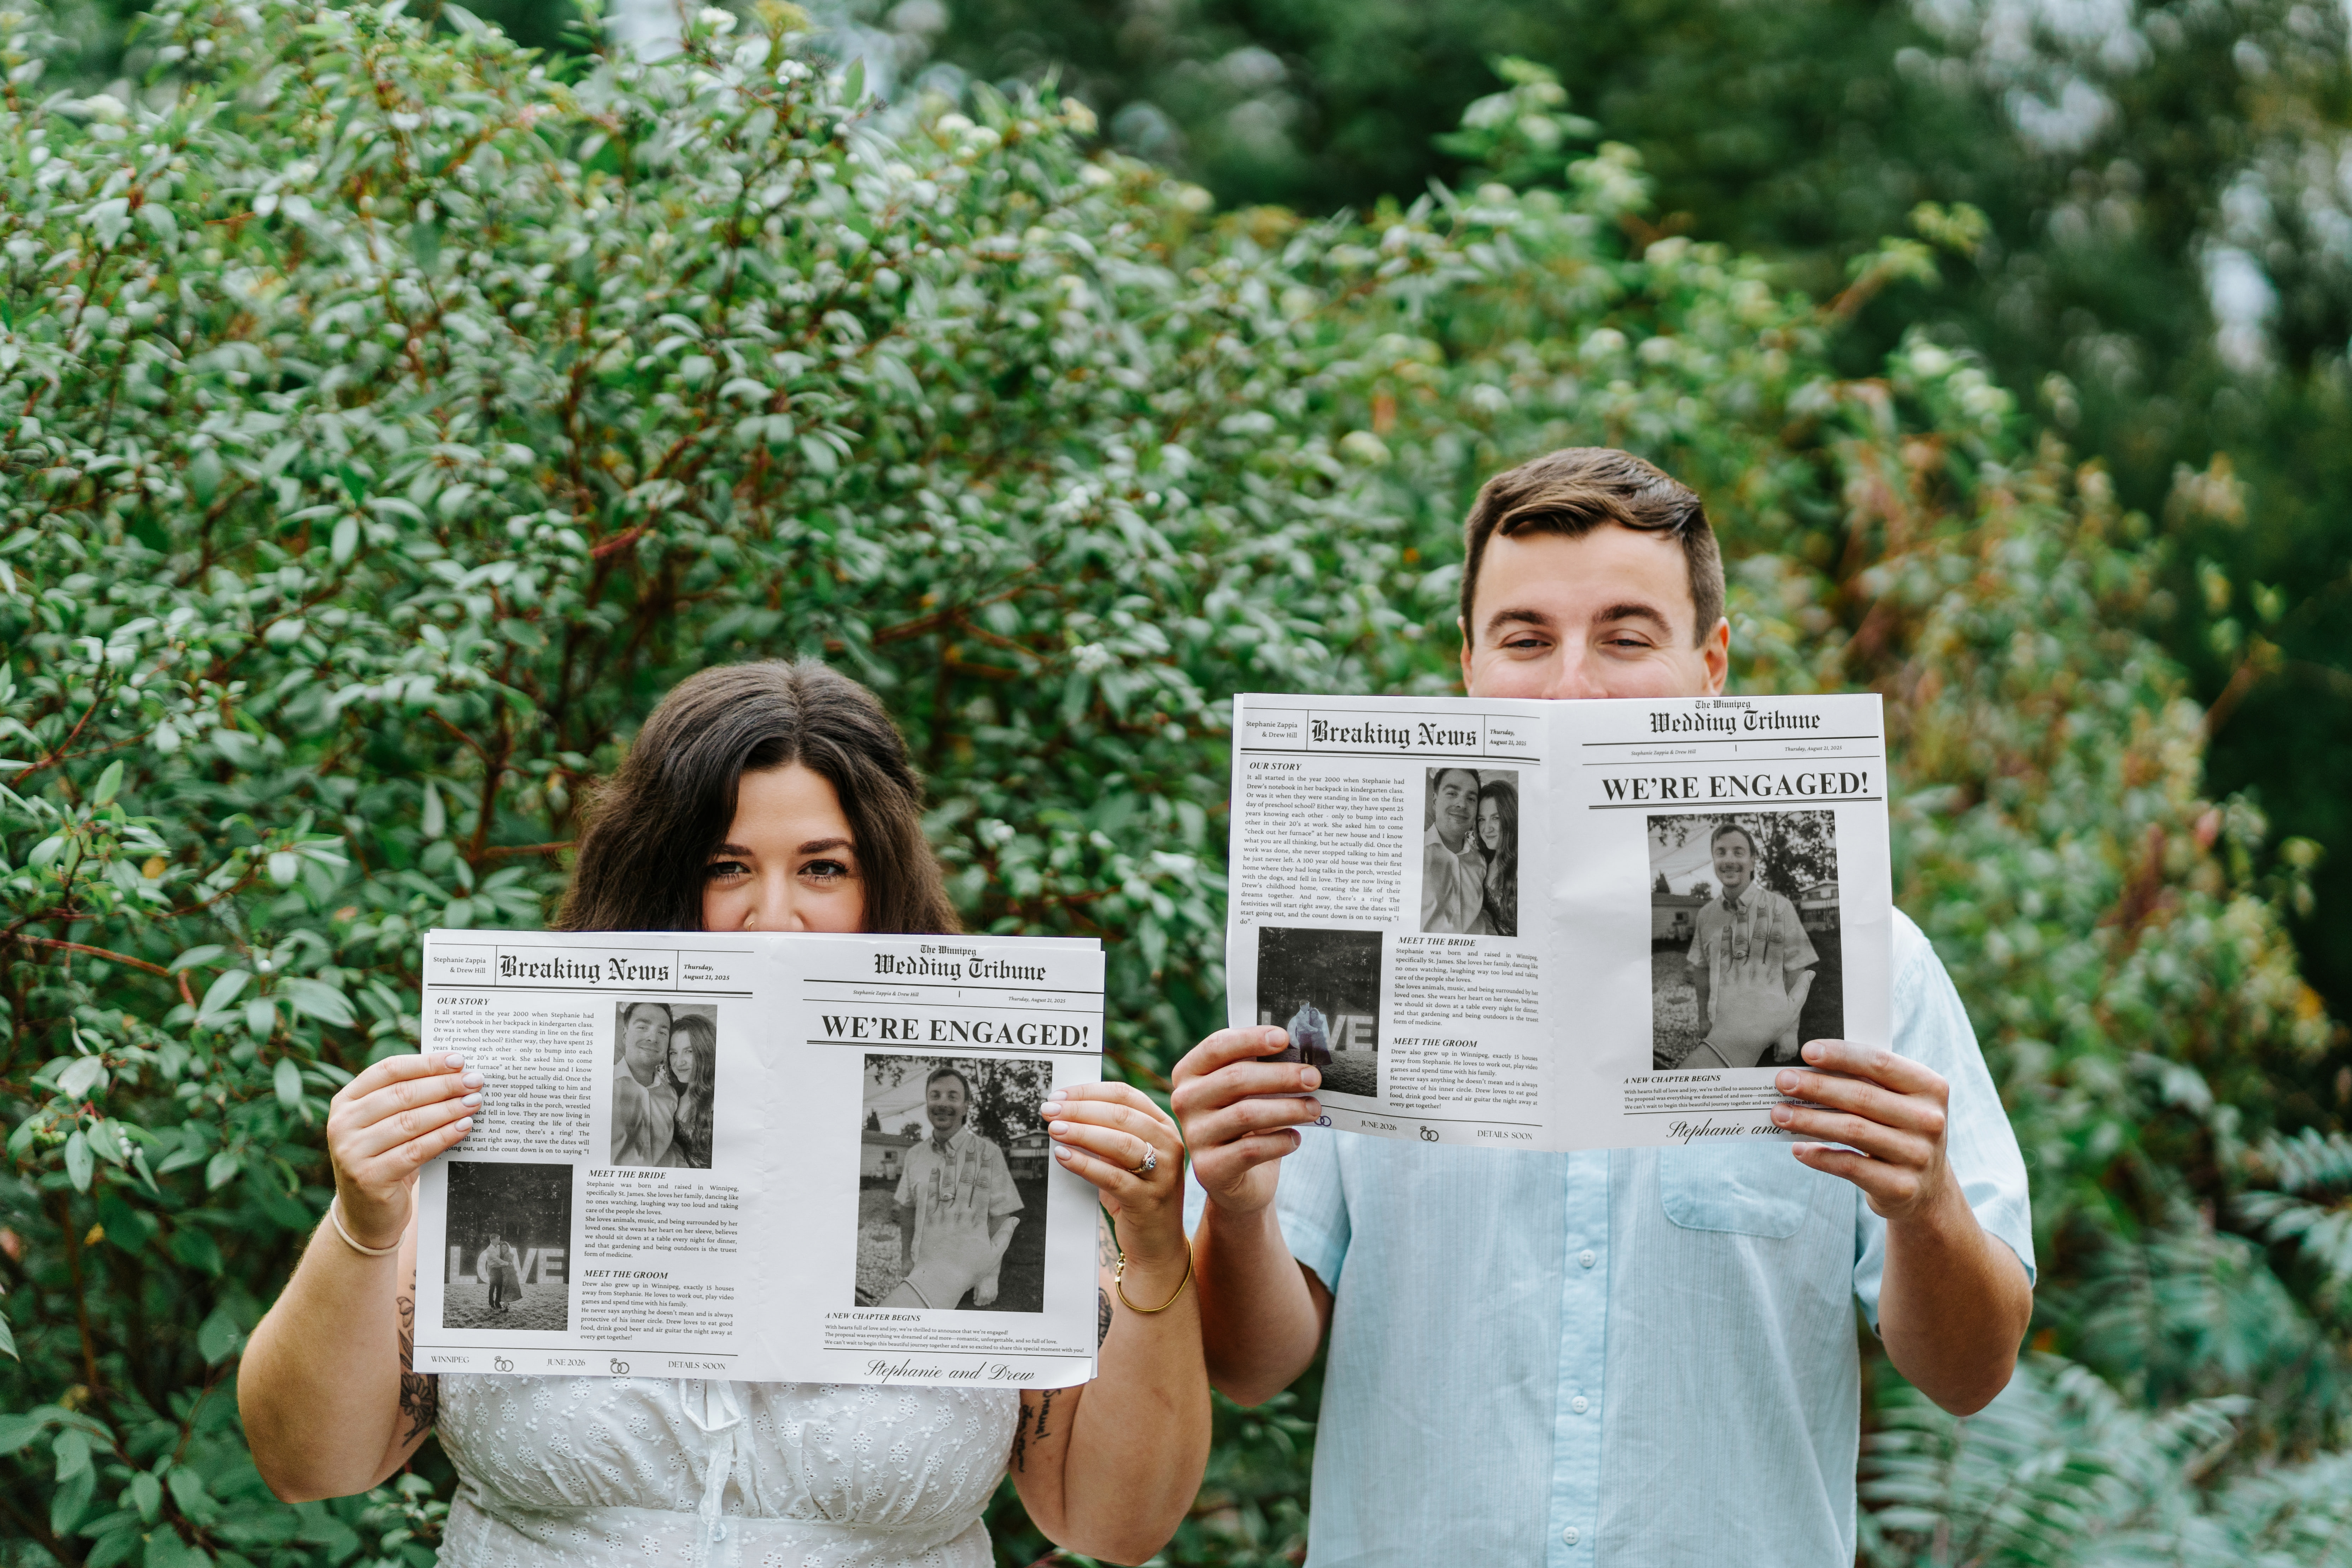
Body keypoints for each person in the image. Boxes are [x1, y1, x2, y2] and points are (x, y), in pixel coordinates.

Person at [1172, 448, 2035, 1563]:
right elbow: (1250, 1365)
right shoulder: (1345, 947)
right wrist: (1235, 1206)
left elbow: (1971, 1372)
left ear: (1710, 664)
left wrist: (1926, 1209)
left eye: (1626, 636)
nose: (1573, 686)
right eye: (1528, 638)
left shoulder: (1875, 964)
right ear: (1470, 668)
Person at [240, 659, 1210, 1568]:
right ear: (661, 871)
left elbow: (1111, 1523)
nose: (773, 914)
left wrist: (1156, 1253)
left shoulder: (1003, 1102)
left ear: (882, 881)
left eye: (822, 867)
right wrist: (363, 1225)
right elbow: (309, 1465)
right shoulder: (521, 1089)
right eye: (725, 865)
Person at [1686, 820, 1816, 1069]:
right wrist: (1703, 1018)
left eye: (1738, 852)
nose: (1729, 860)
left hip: (1766, 1035)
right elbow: (1701, 968)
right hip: (1720, 1035)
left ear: (1753, 860)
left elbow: (1796, 971)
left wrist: (1790, 1031)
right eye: (1721, 852)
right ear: (1714, 860)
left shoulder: (1780, 908)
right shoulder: (1705, 915)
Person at [893, 1065, 1022, 1307]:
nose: (943, 1103)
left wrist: (990, 1276)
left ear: (966, 1106)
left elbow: (1000, 1217)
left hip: (968, 1280)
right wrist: (905, 1259)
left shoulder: (988, 1153)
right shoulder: (914, 1156)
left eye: (953, 1097)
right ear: (927, 1103)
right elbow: (908, 1209)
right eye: (935, 1095)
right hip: (922, 1277)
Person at [1418, 767, 1488, 933]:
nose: (1462, 804)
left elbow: (1482, 915)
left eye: (1471, 799)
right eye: (1452, 793)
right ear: (1435, 801)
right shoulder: (1410, 852)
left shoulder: (1481, 863)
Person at [609, 1000, 676, 1165]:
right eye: (642, 1027)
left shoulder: (672, 1096)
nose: (653, 1038)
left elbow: (670, 1151)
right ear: (625, 1035)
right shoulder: (600, 1086)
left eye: (662, 1033)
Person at [657, 1013, 718, 1169]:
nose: (679, 1062)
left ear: (707, 1051)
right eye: (673, 1053)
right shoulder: (674, 1093)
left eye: (689, 1051)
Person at [1475, 778, 1518, 938]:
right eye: (1482, 820)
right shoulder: (1483, 861)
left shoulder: (1525, 867)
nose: (1487, 829)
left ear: (1510, 818)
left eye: (1496, 818)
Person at [480, 1235, 523, 1315]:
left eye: (499, 1239)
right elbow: (497, 1260)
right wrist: (507, 1264)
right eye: (498, 1239)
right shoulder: (489, 1250)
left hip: (501, 1270)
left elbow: (506, 1249)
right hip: (494, 1271)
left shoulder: (499, 1247)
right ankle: (491, 1303)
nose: (499, 1241)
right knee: (492, 1287)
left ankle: (498, 1303)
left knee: (500, 1287)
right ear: (493, 1240)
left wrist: (508, 1264)